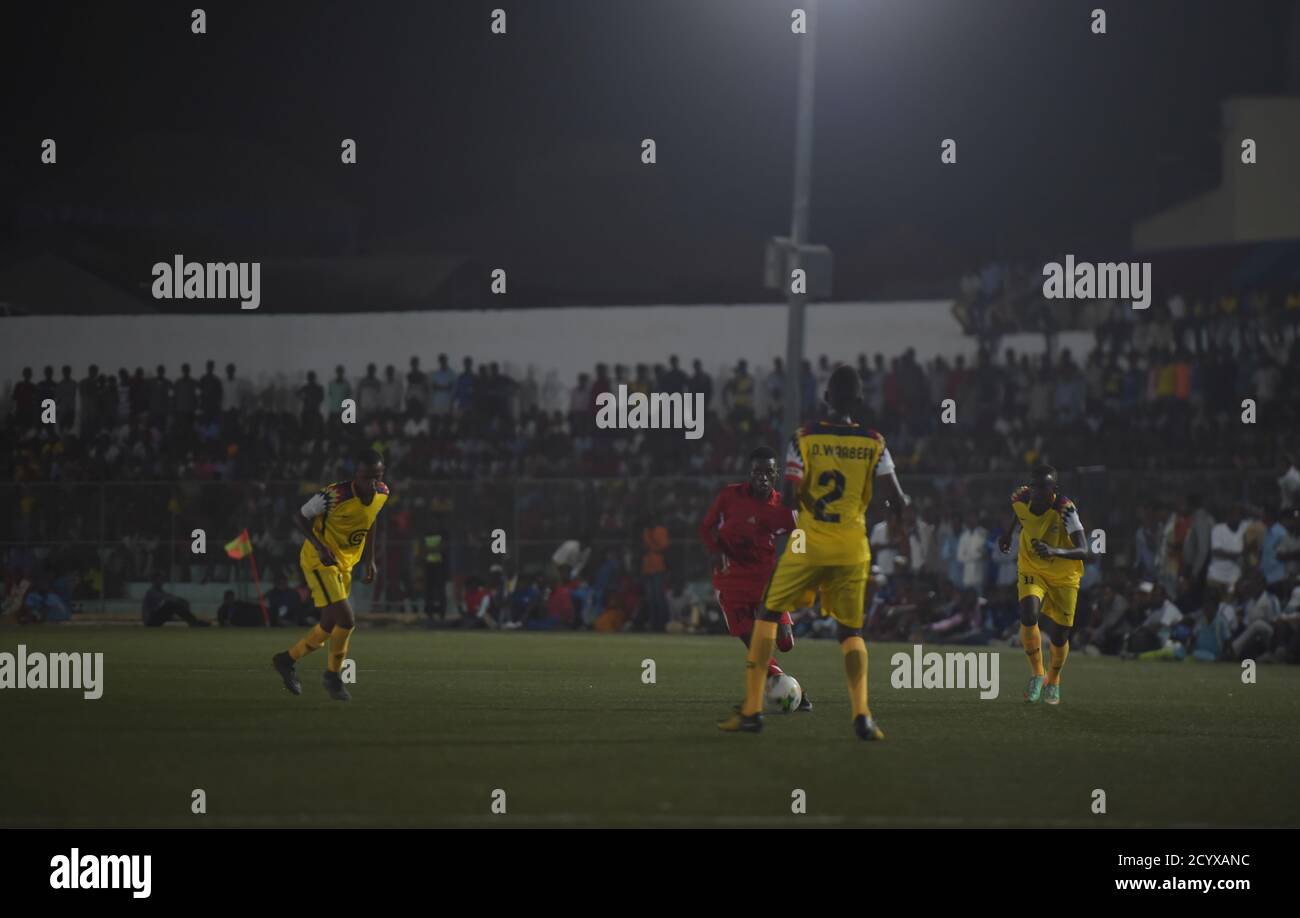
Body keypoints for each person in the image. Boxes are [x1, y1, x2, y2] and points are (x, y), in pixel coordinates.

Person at [718, 365, 908, 740]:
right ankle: (863, 716)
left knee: (767, 615)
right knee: (851, 632)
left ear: (825, 398)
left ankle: (753, 711)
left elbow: (788, 496)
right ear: (858, 400)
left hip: (810, 541)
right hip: (853, 546)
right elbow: (897, 500)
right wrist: (894, 529)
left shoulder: (803, 438)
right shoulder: (875, 442)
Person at [272, 449, 390, 701]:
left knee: (328, 625)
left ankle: (286, 660)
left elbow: (371, 521)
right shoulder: (334, 495)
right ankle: (333, 677)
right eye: (367, 476)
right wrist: (319, 546)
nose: (372, 481)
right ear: (356, 474)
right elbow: (300, 516)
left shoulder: (382, 493)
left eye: (376, 476)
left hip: (345, 564)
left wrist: (370, 560)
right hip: (320, 561)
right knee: (346, 620)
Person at [698, 445, 809, 710]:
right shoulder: (729, 496)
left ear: (776, 474)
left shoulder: (782, 508)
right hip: (730, 583)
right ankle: (793, 693)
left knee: (785, 643)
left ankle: (783, 687)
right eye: (757, 472)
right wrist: (715, 552)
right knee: (754, 644)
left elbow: (802, 537)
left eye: (768, 472)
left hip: (765, 583)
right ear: (749, 472)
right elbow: (705, 527)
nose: (762, 477)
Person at [997, 465, 1091, 705]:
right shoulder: (1020, 497)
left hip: (1064, 575)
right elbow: (1018, 513)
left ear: (1054, 490)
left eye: (1044, 487)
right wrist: (1007, 534)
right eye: (1035, 486)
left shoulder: (1066, 509)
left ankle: (1054, 680)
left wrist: (1054, 550)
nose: (1037, 492)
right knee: (1028, 615)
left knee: (1060, 635)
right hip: (1032, 566)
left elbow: (1083, 549)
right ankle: (1037, 673)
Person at [142, 572, 209, 627]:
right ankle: (193, 622)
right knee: (170, 604)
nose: (161, 581)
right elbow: (166, 599)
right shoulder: (151, 592)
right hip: (150, 621)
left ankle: (193, 621)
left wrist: (181, 601)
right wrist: (179, 601)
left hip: (154, 619)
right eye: (159, 579)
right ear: (153, 581)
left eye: (162, 579)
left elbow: (169, 597)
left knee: (173, 604)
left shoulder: (160, 591)